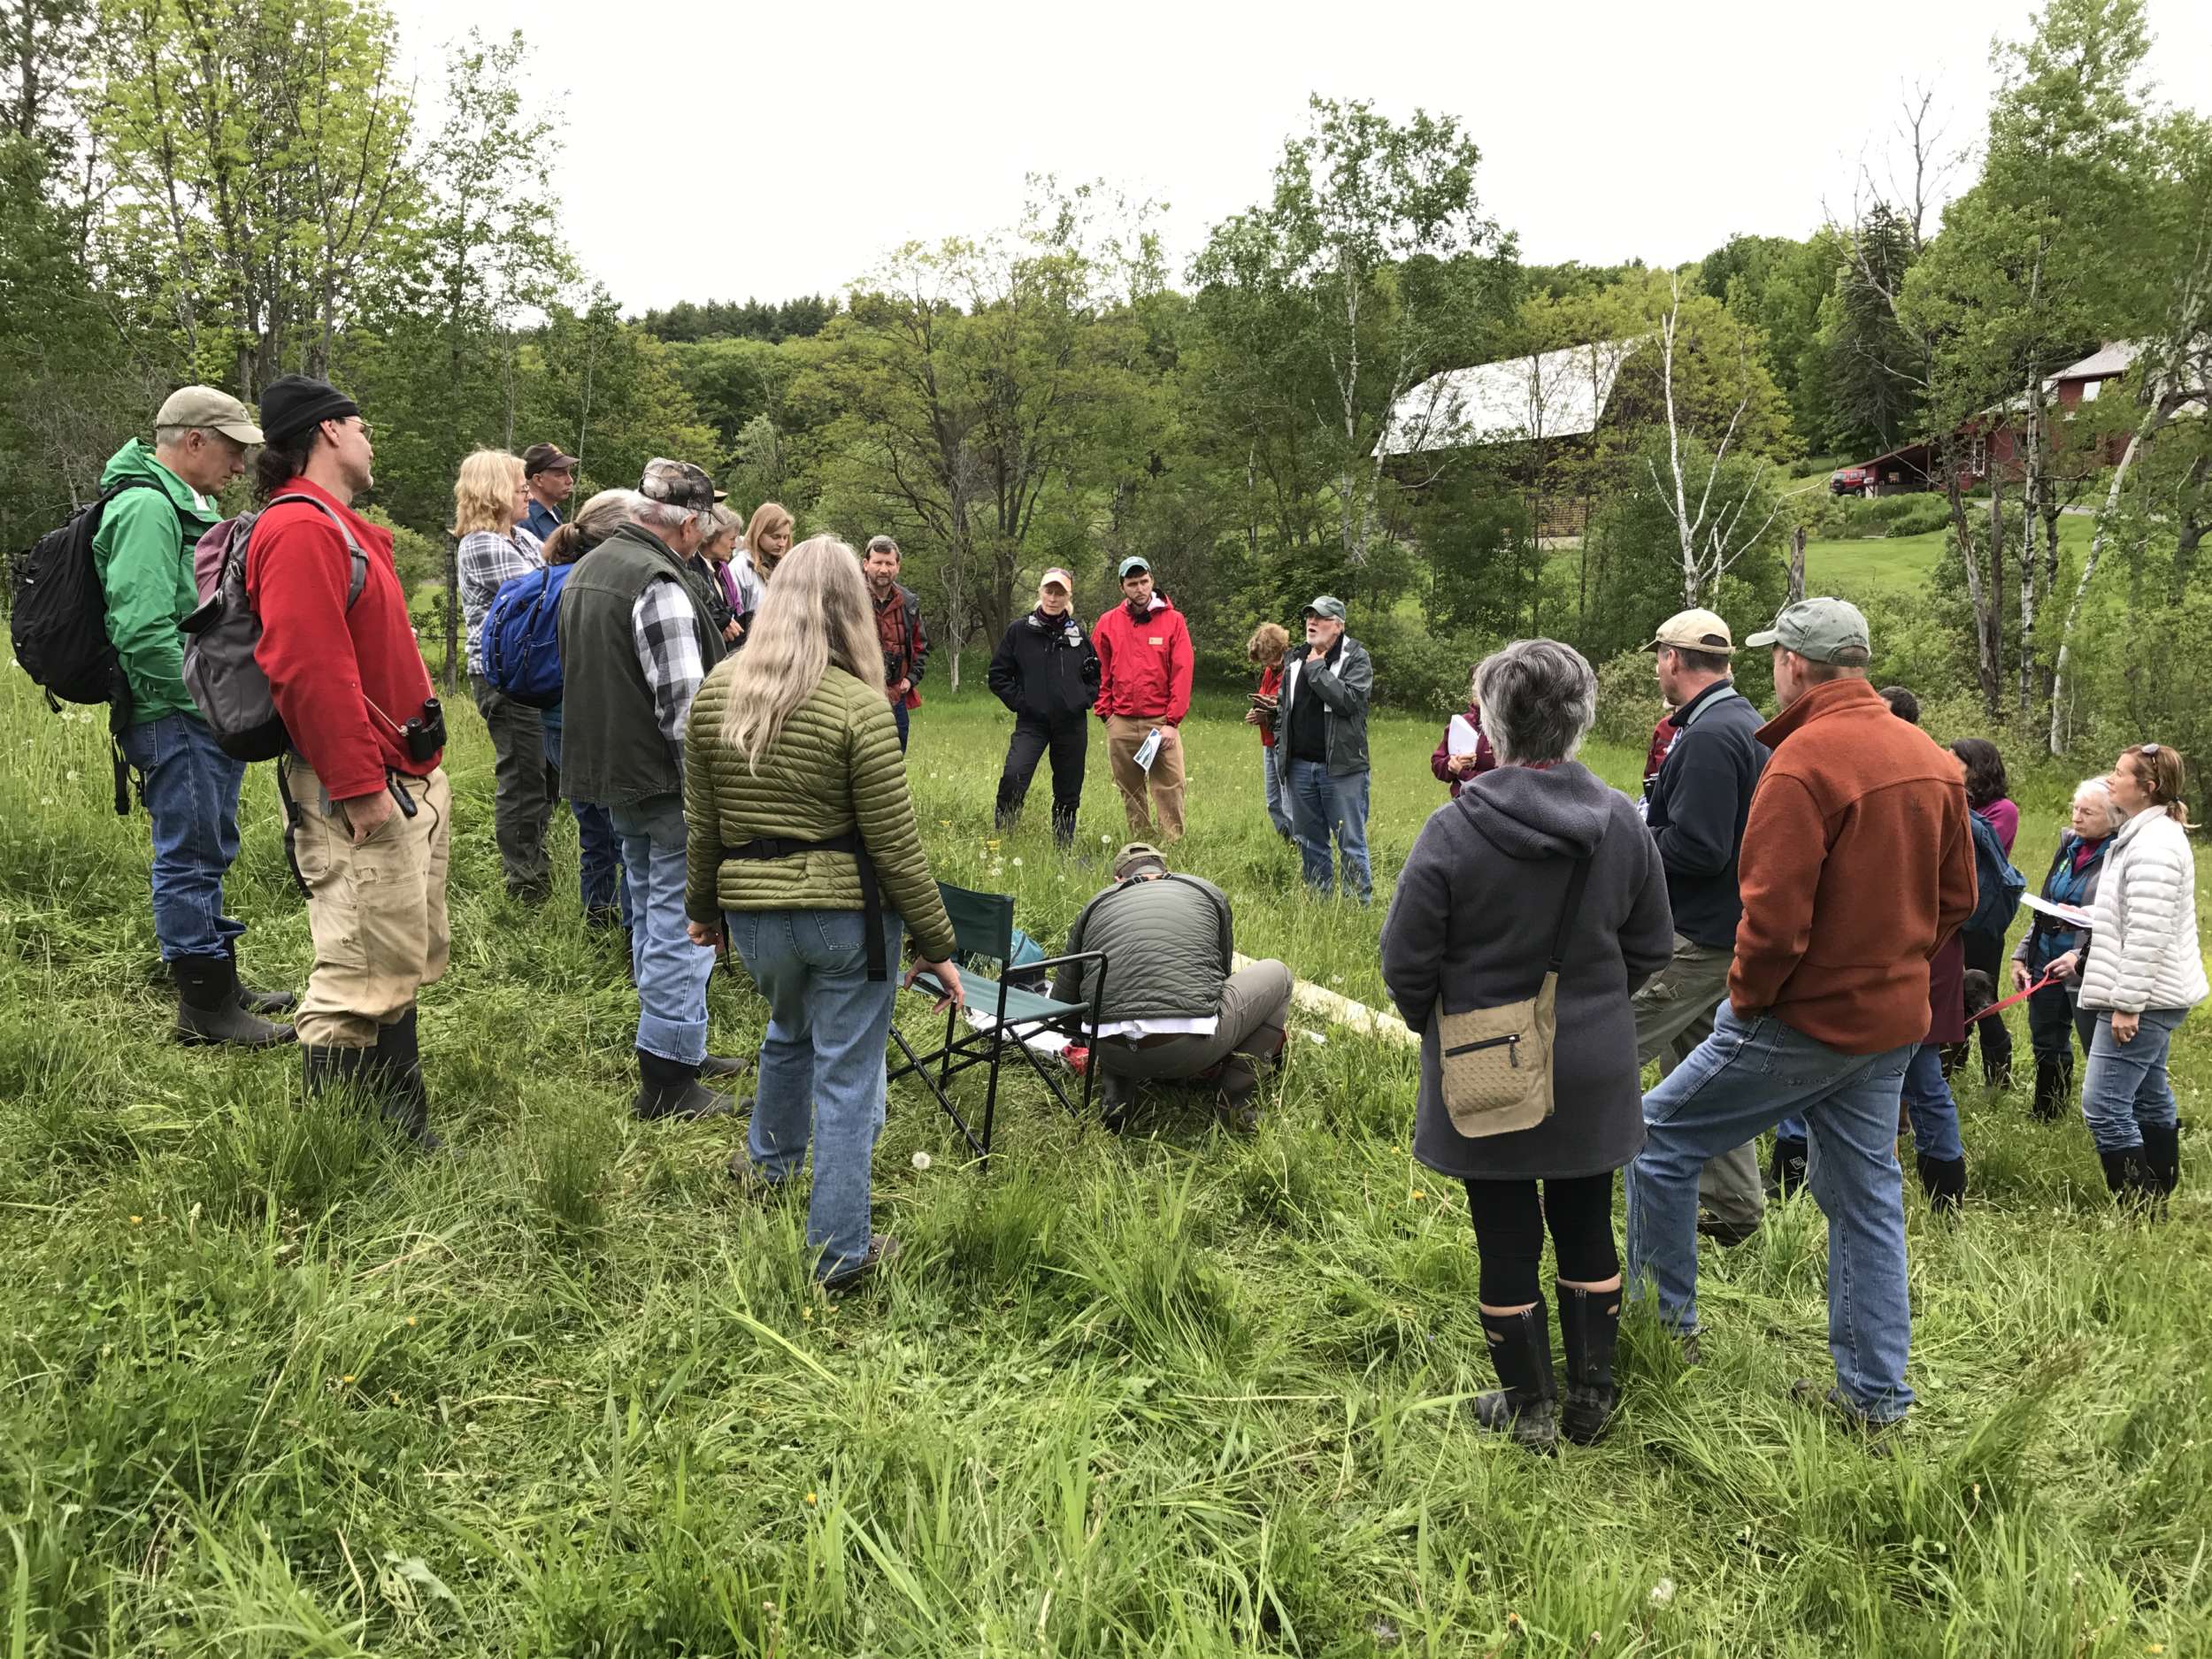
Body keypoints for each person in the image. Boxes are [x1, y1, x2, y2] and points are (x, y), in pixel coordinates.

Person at [1625, 597, 1977, 1432]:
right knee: (1865, 1201)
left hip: (1802, 1018)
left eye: (1776, 656)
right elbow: (1960, 897)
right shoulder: (1932, 758)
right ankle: (1876, 1398)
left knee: (1656, 1138)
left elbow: (1772, 921)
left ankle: (1659, 1336)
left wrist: (1747, 1003)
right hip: (1894, 1019)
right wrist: (1892, 965)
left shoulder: (1801, 761)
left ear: (1793, 663)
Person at [1380, 640, 1673, 1450]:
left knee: (1503, 1233)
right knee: (1586, 1222)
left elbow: (1405, 961)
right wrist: (1595, 1010)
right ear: (1579, 720)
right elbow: (1654, 944)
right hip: (1595, 1064)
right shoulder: (1620, 819)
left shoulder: (1453, 828)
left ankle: (1531, 1407)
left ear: (1492, 721)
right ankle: (1593, 1398)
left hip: (1484, 1063)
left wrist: (1441, 1030)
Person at [683, 535, 963, 1288]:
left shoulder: (717, 692)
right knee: (846, 1076)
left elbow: (702, 823)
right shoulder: (860, 708)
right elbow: (897, 849)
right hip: (847, 921)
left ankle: (769, 1167)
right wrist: (940, 946)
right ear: (852, 609)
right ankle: (841, 1251)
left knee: (786, 1030)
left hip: (756, 920)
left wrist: (702, 910)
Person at [249, 375, 450, 1144]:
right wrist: (360, 786)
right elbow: (306, 670)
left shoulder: (341, 526)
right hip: (364, 789)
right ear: (328, 432)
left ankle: (395, 1120)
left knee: (390, 948)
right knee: (357, 962)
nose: (371, 440)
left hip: (401, 777)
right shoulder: (300, 529)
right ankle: (340, 1145)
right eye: (361, 425)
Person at [97, 386, 294, 1047]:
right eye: (234, 451)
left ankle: (218, 979)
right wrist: (206, 703)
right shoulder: (149, 508)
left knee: (210, 846)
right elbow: (142, 630)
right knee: (189, 855)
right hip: (174, 712)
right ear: (195, 441)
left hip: (189, 711)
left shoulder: (179, 503)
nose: (240, 468)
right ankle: (204, 1011)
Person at [557, 458, 739, 1121]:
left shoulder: (593, 567)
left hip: (612, 775)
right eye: (705, 524)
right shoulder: (659, 581)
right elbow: (687, 714)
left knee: (647, 914)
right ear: (688, 524)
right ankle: (667, 1079)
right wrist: (714, 800)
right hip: (665, 784)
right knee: (678, 926)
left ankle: (676, 1043)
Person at [1630, 609, 1770, 1247]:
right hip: (1725, 931)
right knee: (1696, 1069)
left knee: (1605, 1044)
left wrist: (1633, 835)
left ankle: (1554, 1166)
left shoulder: (1712, 734)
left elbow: (1702, 847)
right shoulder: (1739, 721)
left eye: (1659, 655)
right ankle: (1735, 1208)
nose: (1658, 665)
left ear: (1673, 660)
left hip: (1693, 937)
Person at [1053, 842, 1294, 1133]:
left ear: (1118, 879)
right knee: (1279, 975)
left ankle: (1116, 1097)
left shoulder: (1096, 903)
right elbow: (1219, 977)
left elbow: (1063, 1009)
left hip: (1113, 1052)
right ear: (1167, 871)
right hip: (1185, 1050)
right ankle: (1236, 1106)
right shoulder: (1205, 890)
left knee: (1115, 1000)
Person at [2074, 743, 2205, 1206]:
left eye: (2119, 773)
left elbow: (2147, 933)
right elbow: (2125, 921)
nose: (2110, 779)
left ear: (2147, 788)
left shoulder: (2155, 845)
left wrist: (2128, 1004)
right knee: (2148, 1095)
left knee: (2104, 1105)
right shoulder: (2143, 835)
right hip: (2153, 992)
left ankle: (2138, 1208)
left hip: (2146, 998)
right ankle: (2160, 1193)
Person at [455, 448, 556, 902]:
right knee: (523, 777)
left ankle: (536, 857)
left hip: (530, 678)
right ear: (495, 492)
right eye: (519, 489)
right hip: (505, 680)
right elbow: (544, 594)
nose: (527, 497)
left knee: (544, 773)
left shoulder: (520, 539)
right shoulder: (482, 544)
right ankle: (525, 883)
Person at [538, 490, 635, 933]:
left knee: (593, 832)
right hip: (598, 724)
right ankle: (635, 932)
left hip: (556, 722)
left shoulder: (553, 575)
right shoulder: (602, 584)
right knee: (628, 837)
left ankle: (598, 918)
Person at [2010, 779, 2120, 1120]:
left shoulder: (2120, 857)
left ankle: (2109, 1117)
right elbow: (2046, 904)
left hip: (2086, 963)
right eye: (2075, 808)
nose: (2077, 817)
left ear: (2114, 816)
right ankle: (2048, 1112)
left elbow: (2115, 919)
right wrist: (2021, 953)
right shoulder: (2069, 845)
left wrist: (2080, 958)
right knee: (2045, 1036)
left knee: (2094, 1044)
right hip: (2045, 956)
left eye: (2088, 811)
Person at [987, 567, 1098, 846]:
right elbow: (998, 676)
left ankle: (1063, 846)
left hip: (1071, 724)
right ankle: (1003, 837)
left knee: (1068, 789)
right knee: (1014, 775)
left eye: (1060, 592)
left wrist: (1082, 699)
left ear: (1068, 596)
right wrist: (1023, 703)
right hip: (1032, 723)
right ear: (1040, 592)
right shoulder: (1019, 631)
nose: (1053, 597)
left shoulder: (1079, 635)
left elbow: (1095, 676)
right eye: (1049, 590)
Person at [1274, 595, 1375, 902]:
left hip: (1342, 768)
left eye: (1320, 618)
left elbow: (1350, 702)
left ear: (1338, 625)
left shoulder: (1356, 657)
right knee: (1309, 840)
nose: (1311, 623)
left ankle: (1357, 904)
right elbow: (1284, 707)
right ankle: (1320, 899)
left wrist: (1317, 670)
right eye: (1309, 617)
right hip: (1300, 767)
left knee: (1350, 841)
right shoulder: (1294, 658)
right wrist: (1280, 739)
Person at [1092, 556, 1194, 842]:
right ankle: (1143, 843)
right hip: (1121, 721)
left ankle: (1173, 843)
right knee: (1130, 789)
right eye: (1132, 583)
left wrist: (1172, 722)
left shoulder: (1174, 621)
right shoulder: (1107, 623)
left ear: (1152, 581)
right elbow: (1097, 670)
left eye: (1144, 581)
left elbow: (1182, 672)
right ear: (1122, 587)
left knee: (1170, 786)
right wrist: (1106, 714)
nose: (1139, 588)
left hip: (1160, 722)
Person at [1943, 737, 2021, 1087]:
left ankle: (1999, 1076)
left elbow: (1976, 850)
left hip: (1983, 918)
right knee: (1949, 994)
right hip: (1955, 915)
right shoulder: (1959, 802)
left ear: (1976, 767)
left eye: (1954, 760)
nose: (1946, 763)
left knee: (1980, 995)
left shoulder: (2002, 810)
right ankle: (1950, 1067)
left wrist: (1954, 800)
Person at [862, 535, 928, 750]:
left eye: (889, 563)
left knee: (896, 756)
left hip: (895, 695)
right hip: (860, 693)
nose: (883, 569)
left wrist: (910, 679)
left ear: (897, 566)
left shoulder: (909, 603)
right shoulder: (851, 599)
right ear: (865, 564)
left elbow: (920, 647)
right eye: (878, 562)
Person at [1246, 622, 1295, 838]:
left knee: (1288, 801)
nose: (1265, 663)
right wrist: (1256, 711)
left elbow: (1292, 707)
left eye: (1266, 658)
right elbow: (1265, 697)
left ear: (1277, 650)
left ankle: (1300, 843)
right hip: (1268, 741)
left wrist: (1267, 713)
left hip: (1285, 743)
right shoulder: (1269, 671)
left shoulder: (1293, 669)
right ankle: (1287, 843)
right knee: (1273, 801)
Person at [1429, 686, 1497, 799]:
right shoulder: (1462, 723)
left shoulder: (1506, 729)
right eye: (1474, 681)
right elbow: (1437, 764)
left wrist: (1463, 773)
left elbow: (1505, 781)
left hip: (1494, 806)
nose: (1475, 686)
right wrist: (1452, 763)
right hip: (1461, 804)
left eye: (1480, 680)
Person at [696, 504, 747, 648]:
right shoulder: (693, 570)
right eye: (732, 539)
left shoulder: (719, 570)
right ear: (711, 536)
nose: (734, 546)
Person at [521, 443, 577, 541]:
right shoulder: (524, 519)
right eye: (560, 474)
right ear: (538, 479)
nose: (570, 480)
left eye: (568, 473)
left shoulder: (554, 512)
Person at [744, 502, 794, 585]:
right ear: (758, 534)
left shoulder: (788, 567)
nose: (782, 544)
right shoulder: (742, 567)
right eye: (775, 537)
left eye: (785, 537)